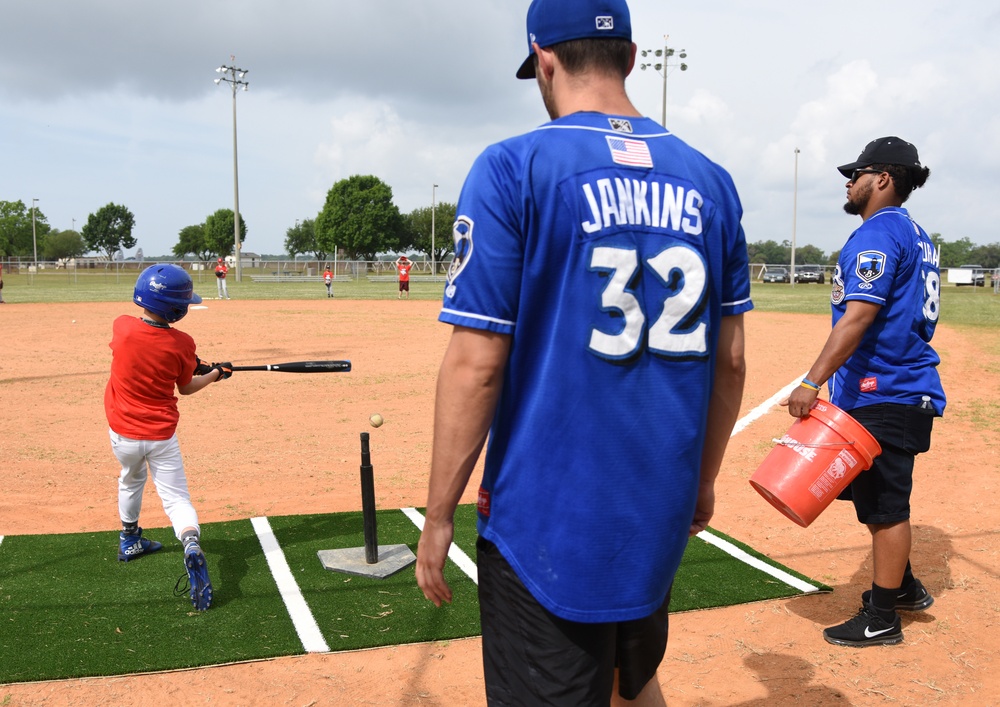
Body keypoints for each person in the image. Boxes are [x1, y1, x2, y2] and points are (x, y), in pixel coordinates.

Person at [414, 0, 751, 703]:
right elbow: (730, 361)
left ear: (544, 61)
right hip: (655, 507)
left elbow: (477, 364)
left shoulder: (513, 167)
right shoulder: (711, 181)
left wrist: (439, 511)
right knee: (635, 676)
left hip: (548, 521)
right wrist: (705, 478)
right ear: (630, 59)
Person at [784, 136, 945, 648]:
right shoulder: (916, 233)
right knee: (868, 494)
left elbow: (858, 317)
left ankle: (882, 618)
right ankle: (905, 587)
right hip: (893, 388)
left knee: (887, 508)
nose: (848, 183)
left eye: (856, 174)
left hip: (888, 389)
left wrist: (812, 381)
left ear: (884, 179)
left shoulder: (877, 235)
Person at [105, 263, 233, 611]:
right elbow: (187, 385)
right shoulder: (181, 342)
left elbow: (153, 351)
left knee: (130, 481)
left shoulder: (123, 326)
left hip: (124, 435)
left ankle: (130, 539)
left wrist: (198, 363)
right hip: (161, 434)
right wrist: (215, 374)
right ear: (178, 310)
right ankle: (190, 542)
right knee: (176, 498)